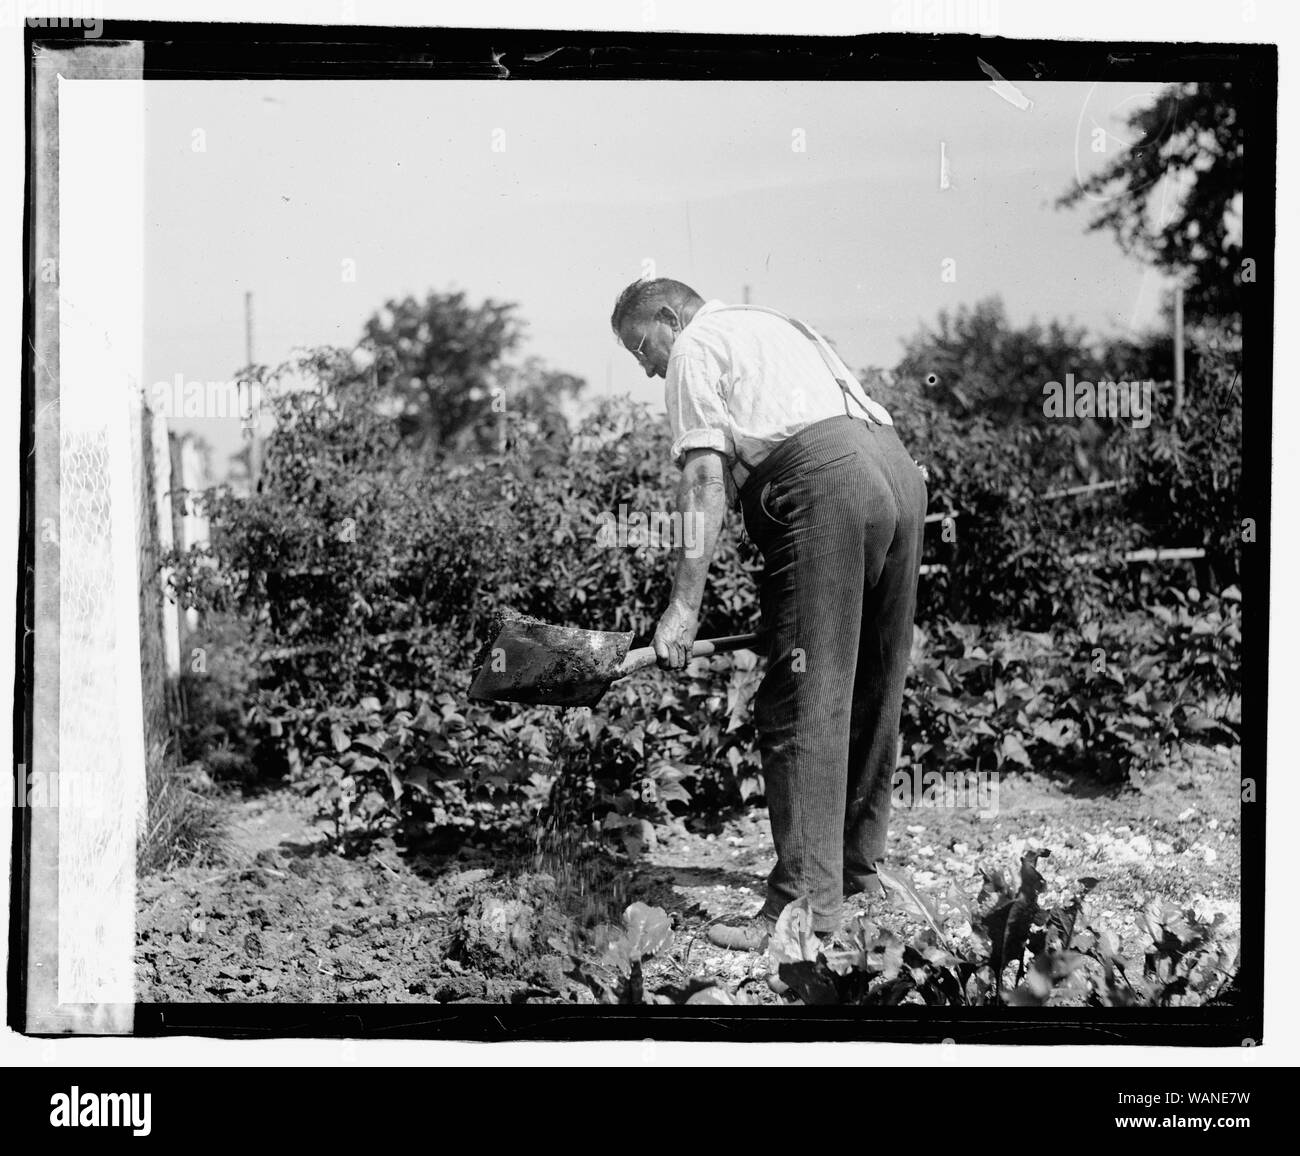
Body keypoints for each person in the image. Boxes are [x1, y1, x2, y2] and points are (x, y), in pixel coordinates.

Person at [609, 277, 928, 950]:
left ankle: (804, 911)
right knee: (874, 683)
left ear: (669, 317)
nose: (647, 367)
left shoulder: (697, 344)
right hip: (897, 473)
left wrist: (682, 609)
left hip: (825, 480)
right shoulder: (774, 323)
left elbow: (703, 479)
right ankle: (856, 879)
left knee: (800, 697)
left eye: (643, 347)